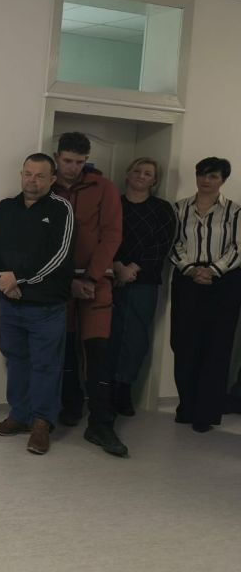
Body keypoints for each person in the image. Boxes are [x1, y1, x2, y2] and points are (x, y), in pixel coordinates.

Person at [0, 153, 74, 455]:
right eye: (28, 174)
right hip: (10, 305)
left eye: (40, 175)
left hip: (46, 307)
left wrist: (18, 278)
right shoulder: (5, 208)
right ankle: (19, 416)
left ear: (52, 179)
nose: (32, 180)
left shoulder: (61, 209)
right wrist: (2, 280)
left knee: (46, 365)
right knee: (15, 359)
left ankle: (42, 424)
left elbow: (58, 255)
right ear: (21, 174)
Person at [52, 132, 128, 458]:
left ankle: (101, 424)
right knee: (64, 348)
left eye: (79, 162)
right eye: (67, 161)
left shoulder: (103, 187)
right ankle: (70, 407)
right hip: (58, 284)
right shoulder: (47, 187)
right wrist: (66, 280)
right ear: (57, 158)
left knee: (98, 352)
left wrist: (92, 277)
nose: (72, 168)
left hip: (97, 282)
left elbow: (112, 235)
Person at [168, 157, 241, 433]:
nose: (206, 181)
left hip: (224, 282)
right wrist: (190, 269)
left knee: (216, 346)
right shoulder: (179, 208)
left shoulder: (235, 211)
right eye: (202, 175)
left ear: (223, 180)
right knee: (183, 343)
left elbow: (238, 248)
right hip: (187, 280)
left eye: (213, 176)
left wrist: (213, 270)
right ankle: (186, 406)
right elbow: (173, 243)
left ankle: (206, 413)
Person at [109, 158, 176, 416]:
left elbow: (161, 244)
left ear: (154, 181)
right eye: (136, 170)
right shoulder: (112, 204)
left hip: (144, 282)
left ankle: (123, 388)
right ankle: (104, 388)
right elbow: (104, 237)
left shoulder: (162, 209)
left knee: (136, 336)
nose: (141, 175)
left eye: (148, 173)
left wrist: (132, 269)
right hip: (110, 278)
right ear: (127, 174)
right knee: (109, 334)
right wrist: (118, 266)